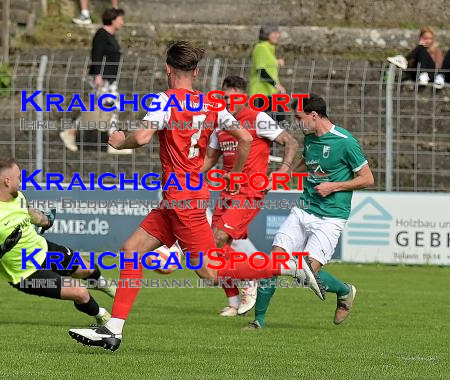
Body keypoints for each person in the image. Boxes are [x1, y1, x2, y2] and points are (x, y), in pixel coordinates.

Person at [68, 41, 325, 352]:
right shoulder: (213, 104)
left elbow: (143, 136)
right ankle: (114, 328)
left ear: (167, 69)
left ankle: (291, 266)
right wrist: (236, 174)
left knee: (210, 271)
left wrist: (121, 142)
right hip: (179, 197)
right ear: (197, 71)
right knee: (131, 249)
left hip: (182, 198)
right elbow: (244, 137)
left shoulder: (165, 100)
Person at [245, 94, 374, 330]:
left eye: (299, 118)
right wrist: (287, 175)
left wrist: (334, 186)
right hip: (303, 210)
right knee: (273, 263)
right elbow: (308, 161)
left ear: (314, 115)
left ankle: (345, 291)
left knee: (304, 272)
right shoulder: (311, 139)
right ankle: (258, 322)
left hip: (331, 217)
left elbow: (367, 178)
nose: (297, 123)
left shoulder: (345, 141)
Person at [0, 157, 116, 326]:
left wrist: (45, 220)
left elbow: (28, 213)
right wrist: (2, 249)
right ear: (6, 181)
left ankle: (108, 288)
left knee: (87, 268)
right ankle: (104, 319)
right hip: (26, 273)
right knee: (80, 292)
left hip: (43, 249)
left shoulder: (17, 196)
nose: (21, 181)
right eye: (19, 177)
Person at [202, 75, 299, 317]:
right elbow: (210, 160)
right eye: (225, 97)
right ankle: (234, 301)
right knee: (215, 249)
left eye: (234, 98)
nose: (228, 102)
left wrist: (283, 170)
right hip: (226, 193)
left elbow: (291, 142)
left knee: (218, 239)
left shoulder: (257, 118)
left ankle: (249, 278)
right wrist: (184, 175)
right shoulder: (221, 123)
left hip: (249, 191)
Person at [61, 8, 130, 154]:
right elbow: (96, 55)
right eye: (120, 18)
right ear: (112, 19)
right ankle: (112, 143)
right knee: (112, 106)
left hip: (110, 80)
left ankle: (71, 133)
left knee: (106, 107)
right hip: (101, 79)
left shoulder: (111, 36)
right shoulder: (102, 34)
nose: (122, 22)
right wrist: (98, 75)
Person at [249, 22, 286, 122]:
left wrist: (277, 62)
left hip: (270, 92)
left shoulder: (269, 48)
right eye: (274, 33)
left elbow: (267, 63)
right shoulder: (261, 47)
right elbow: (261, 70)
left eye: (278, 33)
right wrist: (276, 85)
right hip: (260, 92)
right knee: (278, 118)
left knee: (277, 119)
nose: (278, 35)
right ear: (267, 34)